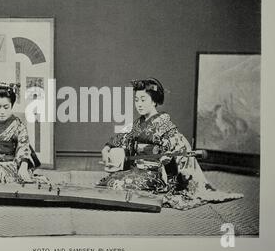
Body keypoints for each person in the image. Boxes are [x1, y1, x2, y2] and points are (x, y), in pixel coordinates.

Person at [99, 78, 243, 210]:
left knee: (117, 185)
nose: (139, 104)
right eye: (136, 100)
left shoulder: (165, 126)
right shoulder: (138, 124)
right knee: (109, 181)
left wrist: (167, 161)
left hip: (156, 175)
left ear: (154, 101)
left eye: (143, 99)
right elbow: (119, 138)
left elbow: (179, 152)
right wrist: (106, 149)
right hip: (137, 169)